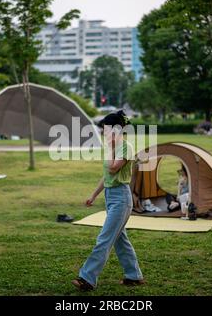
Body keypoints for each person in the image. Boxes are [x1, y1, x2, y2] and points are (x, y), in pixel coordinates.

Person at [72, 110, 144, 291]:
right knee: (120, 240)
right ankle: (133, 276)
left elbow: (113, 169)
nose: (103, 133)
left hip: (121, 198)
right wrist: (94, 195)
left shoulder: (126, 147)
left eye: (106, 129)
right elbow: (106, 176)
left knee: (104, 239)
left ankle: (87, 278)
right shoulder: (112, 148)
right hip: (111, 197)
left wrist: (112, 148)